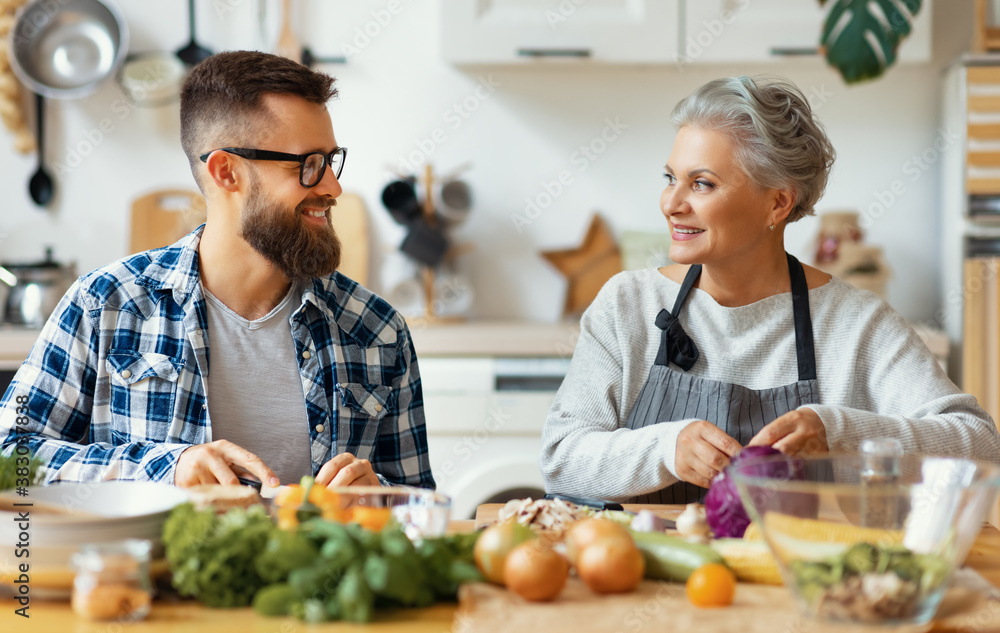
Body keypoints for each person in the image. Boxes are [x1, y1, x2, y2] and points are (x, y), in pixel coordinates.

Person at [540, 75, 1000, 504]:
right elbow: (561, 460)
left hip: (800, 581)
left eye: (701, 183)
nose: (671, 204)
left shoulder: (857, 323)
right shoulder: (628, 305)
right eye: (670, 178)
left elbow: (979, 445)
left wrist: (837, 432)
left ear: (777, 202)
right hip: (649, 583)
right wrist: (665, 449)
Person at [0, 51, 434, 491]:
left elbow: (419, 505)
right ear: (227, 171)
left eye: (331, 159)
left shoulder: (377, 330)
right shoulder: (105, 304)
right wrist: (165, 468)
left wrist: (380, 499)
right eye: (308, 165)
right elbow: (8, 454)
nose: (332, 186)